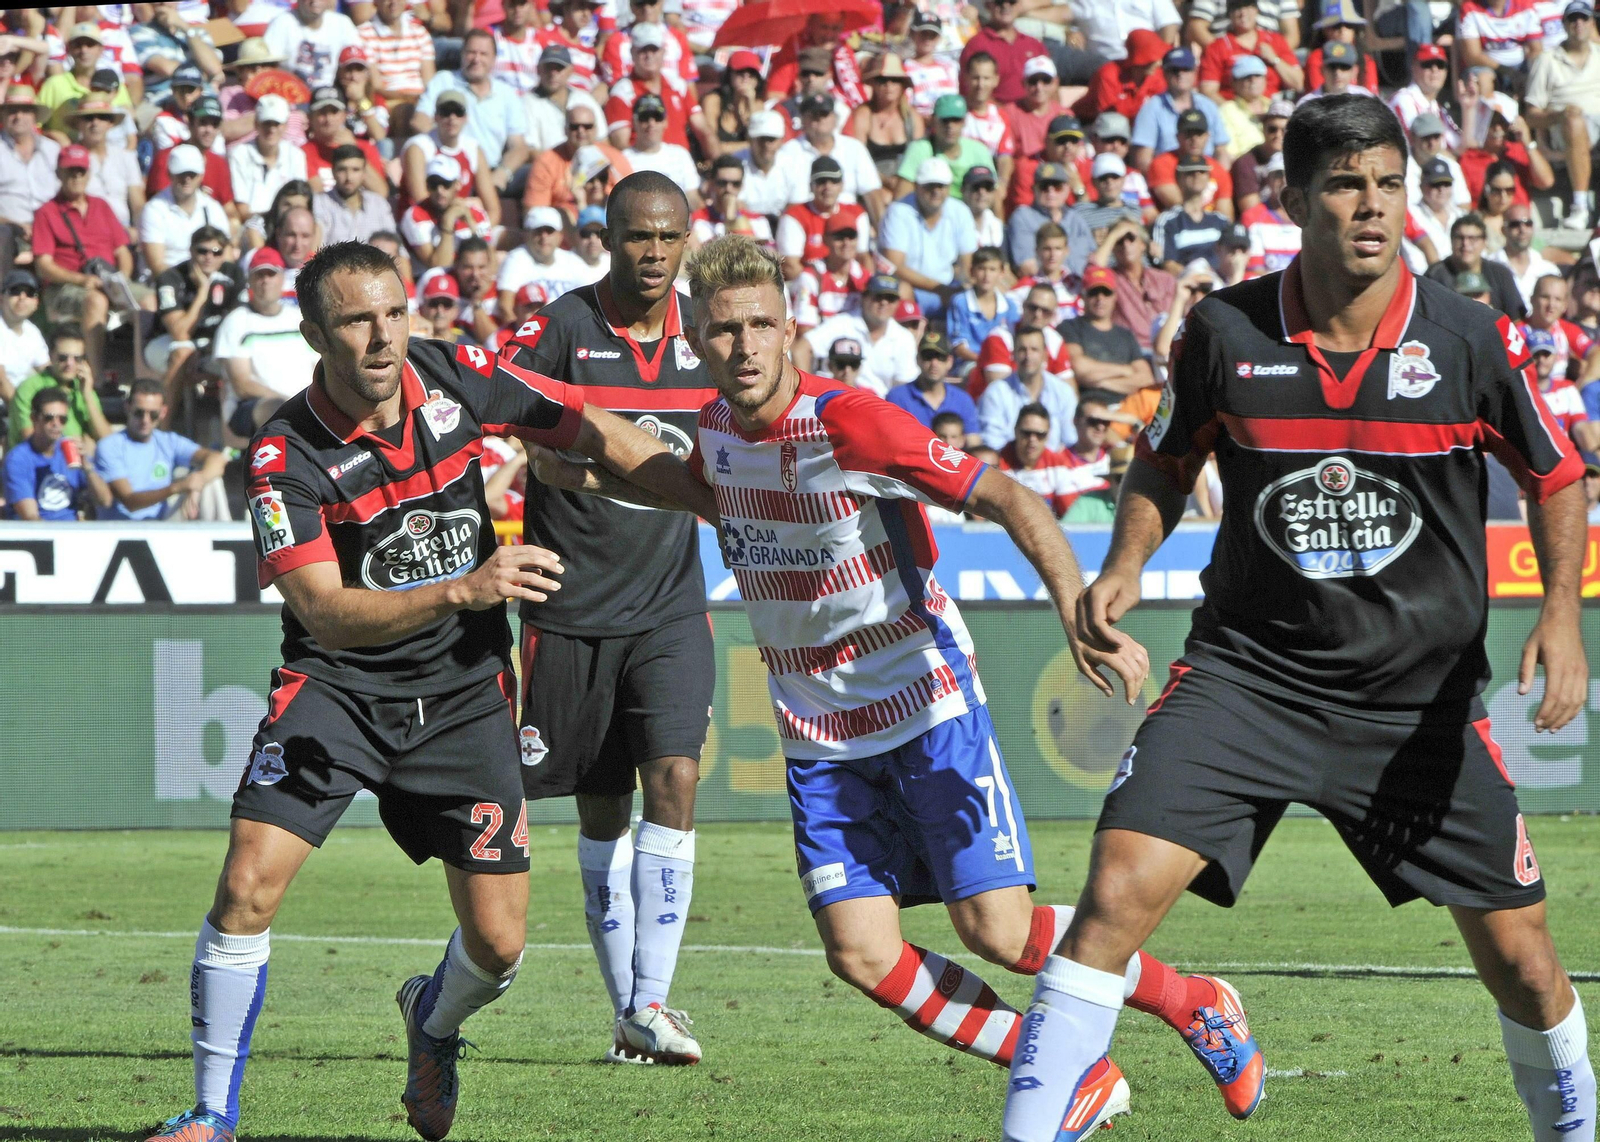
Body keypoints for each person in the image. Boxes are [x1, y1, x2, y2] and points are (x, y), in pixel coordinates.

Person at [534, 235, 1245, 1141]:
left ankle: (1190, 1000)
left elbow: (1010, 500)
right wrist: (577, 455)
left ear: (790, 328)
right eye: (724, 331)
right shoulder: (715, 433)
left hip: (926, 705)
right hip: (818, 734)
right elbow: (681, 483)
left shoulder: (853, 422)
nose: (746, 345)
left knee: (997, 930)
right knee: (861, 954)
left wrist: (1074, 602)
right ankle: (1065, 1062)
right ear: (697, 345)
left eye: (762, 325)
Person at [1004, 93, 1593, 1142]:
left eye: (1388, 184)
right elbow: (1167, 454)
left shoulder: (1466, 337)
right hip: (1248, 680)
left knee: (1522, 956)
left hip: (1416, 704)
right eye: (1344, 184)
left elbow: (1555, 475)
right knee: (1115, 887)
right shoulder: (1224, 329)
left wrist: (1560, 614)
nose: (1371, 207)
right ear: (1293, 198)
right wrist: (1124, 561)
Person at [140, 238, 703, 1142]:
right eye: (357, 320)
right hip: (338, 690)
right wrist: (462, 589)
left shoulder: (453, 374)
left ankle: (432, 1022)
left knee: (500, 945)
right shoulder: (285, 454)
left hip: (466, 696)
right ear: (314, 335)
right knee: (247, 884)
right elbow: (323, 612)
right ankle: (211, 1113)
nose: (383, 337)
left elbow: (592, 425)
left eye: (394, 312)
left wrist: (719, 501)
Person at [498, 172, 716, 1067]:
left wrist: (588, 470)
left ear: (687, 237)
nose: (654, 254)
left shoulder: (711, 332)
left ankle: (654, 1000)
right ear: (606, 236)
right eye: (637, 237)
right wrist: (555, 457)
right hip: (572, 607)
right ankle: (627, 1008)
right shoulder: (562, 326)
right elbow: (509, 411)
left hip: (671, 606)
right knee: (600, 813)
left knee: (675, 774)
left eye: (668, 238)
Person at [32, 145, 138, 384]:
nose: (76, 177)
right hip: (66, 286)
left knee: (149, 300)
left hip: (110, 279)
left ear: (88, 174)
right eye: (70, 171)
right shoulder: (47, 213)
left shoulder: (101, 206)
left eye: (81, 171)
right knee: (95, 301)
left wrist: (123, 279)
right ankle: (97, 378)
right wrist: (82, 280)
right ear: (59, 174)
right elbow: (44, 266)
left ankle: (143, 374)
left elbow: (122, 251)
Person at [211, 248, 319, 442]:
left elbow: (317, 367)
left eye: (271, 274)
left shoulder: (298, 319)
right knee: (277, 409)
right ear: (250, 281)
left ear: (281, 279)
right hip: (252, 407)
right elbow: (242, 385)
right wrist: (291, 404)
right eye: (259, 275)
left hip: (306, 403)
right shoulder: (235, 323)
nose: (266, 280)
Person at [93, 378, 227, 521]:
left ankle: (226, 540)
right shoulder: (110, 446)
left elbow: (217, 459)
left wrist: (197, 482)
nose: (146, 420)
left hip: (163, 522)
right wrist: (178, 487)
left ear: (163, 412)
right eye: (139, 413)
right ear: (127, 408)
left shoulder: (168, 441)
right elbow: (130, 501)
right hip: (124, 529)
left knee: (211, 482)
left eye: (153, 414)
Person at [414, 28, 531, 183]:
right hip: (449, 166)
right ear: (462, 54)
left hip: (493, 170)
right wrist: (447, 148)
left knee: (535, 174)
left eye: (483, 54)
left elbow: (519, 147)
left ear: (494, 59)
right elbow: (419, 121)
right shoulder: (443, 81)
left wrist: (501, 175)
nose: (476, 59)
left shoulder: (507, 94)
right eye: (471, 53)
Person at [1522, 0, 1600, 231]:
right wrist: (1558, 116)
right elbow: (1531, 115)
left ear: (1591, 22)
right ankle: (1580, 207)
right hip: (1563, 128)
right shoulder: (1546, 60)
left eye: (1583, 18)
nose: (1578, 24)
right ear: (1564, 24)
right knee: (1574, 121)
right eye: (1573, 19)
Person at [148, 225, 242, 394]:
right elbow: (179, 333)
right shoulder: (171, 278)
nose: (209, 257)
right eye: (202, 251)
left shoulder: (234, 274)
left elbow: (241, 321)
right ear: (191, 251)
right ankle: (163, 419)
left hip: (211, 342)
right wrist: (202, 293)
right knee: (183, 351)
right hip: (165, 342)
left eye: (216, 252)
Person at [879, 158, 976, 321]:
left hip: (949, 287)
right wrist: (940, 290)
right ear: (916, 186)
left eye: (941, 186)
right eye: (930, 186)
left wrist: (965, 288)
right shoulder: (898, 212)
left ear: (949, 187)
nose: (936, 191)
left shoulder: (961, 211)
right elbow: (895, 266)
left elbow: (968, 264)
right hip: (914, 288)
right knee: (900, 291)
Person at [798, 274, 919, 395]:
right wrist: (806, 393)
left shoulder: (904, 337)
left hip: (880, 406)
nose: (884, 302)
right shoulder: (842, 323)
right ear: (864, 297)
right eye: (878, 297)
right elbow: (800, 349)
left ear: (898, 303)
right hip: (838, 398)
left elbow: (906, 385)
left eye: (890, 298)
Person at [777, 94, 888, 225]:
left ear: (835, 119)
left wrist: (882, 235)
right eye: (813, 115)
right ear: (802, 119)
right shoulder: (788, 152)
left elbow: (872, 193)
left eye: (824, 114)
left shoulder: (854, 148)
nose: (820, 119)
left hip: (847, 223)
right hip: (804, 223)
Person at [603, 23, 710, 156]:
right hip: (642, 166)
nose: (649, 56)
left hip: (680, 165)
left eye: (654, 50)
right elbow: (621, 145)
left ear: (663, 52)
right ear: (632, 53)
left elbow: (704, 131)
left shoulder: (677, 85)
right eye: (643, 50)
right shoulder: (623, 92)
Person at [4, 386, 108, 520]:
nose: (56, 424)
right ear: (34, 418)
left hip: (71, 532)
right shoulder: (18, 459)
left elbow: (104, 501)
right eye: (49, 418)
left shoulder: (70, 450)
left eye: (62, 419)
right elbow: (31, 518)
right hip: (37, 537)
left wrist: (87, 466)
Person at [1058, 264, 1157, 402]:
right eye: (1094, 292)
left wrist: (1101, 383)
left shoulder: (1126, 335)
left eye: (1106, 293)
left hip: (1127, 409)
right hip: (1089, 410)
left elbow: (1146, 378)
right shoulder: (1070, 327)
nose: (1100, 299)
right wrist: (1126, 371)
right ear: (1083, 295)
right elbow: (1079, 369)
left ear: (1114, 296)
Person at [8, 325, 113, 449]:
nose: (70, 364)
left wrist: (87, 395)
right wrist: (70, 445)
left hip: (74, 463)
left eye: (77, 359)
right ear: (51, 356)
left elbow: (108, 442)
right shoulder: (29, 388)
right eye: (63, 358)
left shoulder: (84, 389)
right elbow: (30, 438)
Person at [979, 323, 1078, 451]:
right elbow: (992, 443)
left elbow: (1070, 440)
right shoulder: (995, 393)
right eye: (1022, 350)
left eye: (1034, 349)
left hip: (1055, 466)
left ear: (1044, 354)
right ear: (1013, 354)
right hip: (1009, 467)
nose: (1028, 356)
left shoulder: (1063, 392)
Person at [1130, 47, 1230, 172]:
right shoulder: (1151, 109)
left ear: (1195, 72)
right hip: (1167, 176)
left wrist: (1218, 180)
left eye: (1186, 69)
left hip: (1206, 176)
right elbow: (1143, 159)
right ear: (1164, 73)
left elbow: (1221, 150)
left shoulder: (1209, 106)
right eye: (1174, 70)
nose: (1180, 74)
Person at [139, 145, 230, 277]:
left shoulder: (213, 209)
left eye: (192, 174)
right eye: (181, 174)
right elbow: (157, 264)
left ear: (200, 176)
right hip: (167, 281)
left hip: (208, 279)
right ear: (170, 174)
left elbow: (225, 256)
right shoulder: (154, 210)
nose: (187, 179)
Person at [1091, 217, 1176, 352]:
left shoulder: (1164, 279)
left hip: (1166, 350)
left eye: (1131, 238)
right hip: (1130, 352)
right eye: (1119, 240)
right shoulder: (1110, 279)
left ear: (1143, 244)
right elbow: (1093, 271)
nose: (1125, 244)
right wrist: (1113, 235)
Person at [0, 86, 60, 273]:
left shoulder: (54, 151)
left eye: (24, 111)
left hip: (53, 229)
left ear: (34, 116)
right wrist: (12, 224)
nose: (18, 116)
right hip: (9, 230)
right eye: (12, 111)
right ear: (3, 116)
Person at [885, 331, 981, 446]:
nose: (934, 363)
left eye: (940, 357)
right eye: (928, 357)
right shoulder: (897, 397)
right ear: (918, 360)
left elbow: (974, 444)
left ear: (949, 361)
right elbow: (890, 441)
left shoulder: (963, 400)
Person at [356, 0, 435, 139]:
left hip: (419, 100)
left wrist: (422, 101)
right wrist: (409, 98)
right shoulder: (363, 34)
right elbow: (376, 86)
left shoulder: (420, 32)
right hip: (388, 102)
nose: (393, 2)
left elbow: (430, 82)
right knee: (408, 112)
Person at [1424, 212, 1528, 319]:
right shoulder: (1435, 275)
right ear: (1451, 241)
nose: (1466, 244)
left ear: (1484, 242)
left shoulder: (1500, 273)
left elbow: (1517, 319)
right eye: (1460, 238)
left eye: (1472, 238)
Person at [1006, 158, 1097, 278]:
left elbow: (1093, 259)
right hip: (1043, 288)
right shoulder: (1023, 217)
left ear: (1067, 190)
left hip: (1080, 288)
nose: (1051, 191)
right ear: (1034, 190)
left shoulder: (1077, 219)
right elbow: (1027, 267)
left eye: (1057, 186)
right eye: (1044, 187)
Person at [896, 94, 996, 203]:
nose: (950, 126)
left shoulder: (979, 150)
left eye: (956, 120)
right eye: (945, 120)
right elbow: (901, 197)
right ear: (933, 120)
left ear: (964, 121)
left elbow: (994, 193)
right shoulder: (919, 148)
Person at [400, 154, 494, 269]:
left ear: (458, 185)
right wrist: (448, 222)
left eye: (446, 183)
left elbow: (489, 264)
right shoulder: (415, 216)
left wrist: (470, 222)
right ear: (427, 186)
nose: (440, 191)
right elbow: (439, 267)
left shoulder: (477, 214)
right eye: (434, 184)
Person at [1197, 0, 1302, 101]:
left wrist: (1274, 59)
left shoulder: (1275, 41)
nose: (1243, 13)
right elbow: (1208, 91)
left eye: (1248, 6)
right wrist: (1231, 111)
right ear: (1229, 14)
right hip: (1233, 109)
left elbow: (1298, 83)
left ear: (1256, 10)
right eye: (1237, 8)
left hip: (1272, 108)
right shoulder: (1217, 47)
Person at [497, 206, 591, 314]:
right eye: (538, 231)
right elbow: (505, 306)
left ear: (560, 236)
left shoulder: (572, 261)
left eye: (549, 231)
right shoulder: (516, 259)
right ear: (527, 234)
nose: (544, 237)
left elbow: (589, 299)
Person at [230, 96, 308, 223]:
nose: (271, 130)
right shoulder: (239, 154)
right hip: (251, 224)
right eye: (267, 123)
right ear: (256, 124)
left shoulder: (296, 155)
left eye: (277, 124)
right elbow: (242, 209)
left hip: (287, 225)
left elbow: (301, 202)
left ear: (285, 126)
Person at [302, 87, 389, 199]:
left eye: (334, 112)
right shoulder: (303, 153)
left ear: (344, 116)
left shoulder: (365, 148)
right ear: (310, 118)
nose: (328, 119)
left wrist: (353, 150)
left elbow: (381, 193)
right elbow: (317, 197)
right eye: (322, 113)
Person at [849, 53, 922, 185]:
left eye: (895, 80)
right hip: (871, 181)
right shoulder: (863, 115)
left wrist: (902, 184)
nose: (889, 85)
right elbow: (856, 159)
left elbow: (919, 159)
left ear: (902, 85)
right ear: (873, 84)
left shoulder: (912, 117)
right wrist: (886, 181)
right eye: (882, 80)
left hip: (908, 182)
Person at [1148, 108, 1234, 218]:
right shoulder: (1162, 163)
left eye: (1199, 134)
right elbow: (1177, 204)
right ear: (1178, 137)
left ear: (1207, 137)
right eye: (1188, 134)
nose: (1194, 139)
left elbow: (1226, 216)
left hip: (1212, 227)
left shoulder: (1218, 169)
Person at [946, 246, 1018, 374]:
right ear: (972, 271)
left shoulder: (1010, 305)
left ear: (1002, 273)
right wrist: (987, 362)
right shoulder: (960, 302)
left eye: (992, 269)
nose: (986, 275)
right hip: (970, 363)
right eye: (981, 269)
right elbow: (959, 347)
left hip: (1003, 362)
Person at [1527, 327, 1600, 451]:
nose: (1541, 360)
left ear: (1555, 356)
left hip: (1564, 458)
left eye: (1546, 354)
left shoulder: (1567, 389)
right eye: (1536, 355)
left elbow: (1581, 429)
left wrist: (1594, 456)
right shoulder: (1523, 391)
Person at [962, 0, 1047, 105]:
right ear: (988, 5)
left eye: (1012, 1)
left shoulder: (1034, 44)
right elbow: (969, 92)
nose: (1006, 6)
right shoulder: (976, 45)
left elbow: (1052, 86)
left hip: (1033, 115)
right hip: (995, 117)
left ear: (1019, 5)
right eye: (999, 2)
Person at [524, 44, 604, 152]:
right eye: (548, 68)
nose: (553, 73)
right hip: (548, 165)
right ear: (538, 70)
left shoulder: (584, 98)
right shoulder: (527, 102)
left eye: (559, 68)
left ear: (570, 71)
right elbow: (530, 150)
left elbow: (603, 140)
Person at [265, 0, 360, 90]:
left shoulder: (342, 23)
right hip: (292, 94)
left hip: (330, 96)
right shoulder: (282, 22)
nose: (314, 0)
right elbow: (267, 68)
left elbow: (360, 64)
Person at [621, 94, 701, 198]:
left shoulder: (680, 155)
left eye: (657, 117)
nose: (651, 123)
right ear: (634, 122)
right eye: (644, 118)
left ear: (665, 122)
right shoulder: (622, 159)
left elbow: (692, 197)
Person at [312, 143, 393, 245]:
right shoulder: (319, 203)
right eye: (342, 170)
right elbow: (314, 249)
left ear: (364, 173)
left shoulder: (378, 204)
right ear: (333, 172)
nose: (349, 177)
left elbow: (396, 248)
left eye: (355, 170)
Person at [689, 155, 774, 249]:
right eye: (722, 183)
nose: (728, 189)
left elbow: (770, 255)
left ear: (742, 186)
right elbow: (694, 253)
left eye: (735, 184)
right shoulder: (696, 220)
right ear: (712, 183)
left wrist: (732, 219)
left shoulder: (758, 221)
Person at [1490, 203, 1563, 310]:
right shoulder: (1489, 267)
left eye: (1528, 224)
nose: (1522, 230)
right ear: (1503, 230)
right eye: (1515, 224)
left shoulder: (1549, 270)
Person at [1389, 44, 1461, 149]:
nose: (1435, 70)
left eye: (1440, 65)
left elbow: (1459, 147)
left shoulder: (1438, 109)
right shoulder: (1403, 100)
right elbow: (1420, 147)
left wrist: (1468, 107)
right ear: (1413, 68)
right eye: (1427, 64)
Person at [0, 268, 48, 408]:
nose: (22, 297)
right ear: (1, 298)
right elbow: (1, 382)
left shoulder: (32, 332)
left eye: (29, 293)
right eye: (15, 291)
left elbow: (47, 371)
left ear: (36, 303)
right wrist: (25, 413)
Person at [737, 109, 791, 221]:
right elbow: (737, 206)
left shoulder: (792, 164)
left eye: (771, 140)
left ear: (781, 140)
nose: (766, 145)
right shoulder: (736, 164)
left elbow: (796, 206)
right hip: (747, 228)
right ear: (750, 140)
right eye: (761, 139)